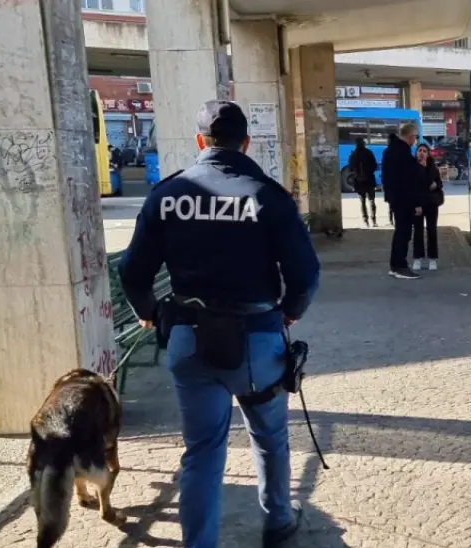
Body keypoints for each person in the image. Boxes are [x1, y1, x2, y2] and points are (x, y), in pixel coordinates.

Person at [117, 99, 320, 548]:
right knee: (269, 437)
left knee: (202, 454)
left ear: (199, 142)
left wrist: (149, 312)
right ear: (246, 142)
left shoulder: (167, 194)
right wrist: (291, 309)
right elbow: (306, 273)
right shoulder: (268, 195)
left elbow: (132, 272)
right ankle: (278, 522)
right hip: (256, 343)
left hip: (189, 341)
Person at [381, 122, 425, 279]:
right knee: (404, 234)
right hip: (404, 200)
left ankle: (395, 265)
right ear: (411, 136)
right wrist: (420, 165)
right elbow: (410, 180)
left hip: (395, 198)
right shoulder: (403, 152)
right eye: (416, 136)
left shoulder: (389, 151)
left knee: (400, 232)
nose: (415, 140)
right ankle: (400, 266)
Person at [411, 144, 443, 271]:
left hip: (431, 204)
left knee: (432, 231)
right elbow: (413, 186)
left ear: (428, 154)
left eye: (424, 151)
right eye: (419, 150)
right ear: (416, 153)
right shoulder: (412, 167)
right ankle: (418, 258)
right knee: (418, 231)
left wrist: (435, 183)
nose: (422, 153)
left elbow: (437, 183)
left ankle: (432, 259)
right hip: (418, 204)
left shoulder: (432, 168)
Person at [348, 137, 379, 227]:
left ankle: (366, 221)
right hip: (369, 180)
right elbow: (374, 165)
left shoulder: (353, 155)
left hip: (359, 182)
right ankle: (374, 220)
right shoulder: (369, 152)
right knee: (372, 201)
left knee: (362, 202)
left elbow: (350, 168)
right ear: (363, 143)